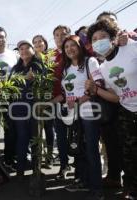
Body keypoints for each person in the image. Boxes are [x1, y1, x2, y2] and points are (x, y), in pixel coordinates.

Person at [86, 19, 137, 200]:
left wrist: (132, 35)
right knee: (129, 154)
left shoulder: (131, 47)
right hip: (126, 112)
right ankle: (132, 189)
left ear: (113, 38)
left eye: (103, 36)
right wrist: (96, 89)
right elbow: (115, 97)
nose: (99, 41)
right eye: (95, 39)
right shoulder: (103, 68)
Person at [59, 35, 104, 200]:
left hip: (89, 113)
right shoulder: (65, 69)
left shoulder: (90, 62)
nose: (69, 49)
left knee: (92, 151)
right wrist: (69, 103)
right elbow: (67, 92)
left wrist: (80, 100)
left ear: (79, 47)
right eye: (66, 47)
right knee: (79, 150)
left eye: (73, 45)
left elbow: (97, 83)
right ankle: (84, 182)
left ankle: (97, 190)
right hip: (74, 116)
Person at [9, 40, 44, 178]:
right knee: (22, 137)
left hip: (34, 107)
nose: (23, 51)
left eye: (26, 48)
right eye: (20, 49)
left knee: (35, 138)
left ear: (32, 50)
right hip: (19, 107)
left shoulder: (38, 65)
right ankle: (20, 169)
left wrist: (22, 80)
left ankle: (36, 169)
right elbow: (10, 84)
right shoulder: (15, 67)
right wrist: (24, 78)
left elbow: (42, 83)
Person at [0, 27, 18, 172]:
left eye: (2, 37)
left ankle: (9, 160)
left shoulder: (13, 55)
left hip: (11, 98)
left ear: (6, 38)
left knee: (10, 130)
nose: (0, 40)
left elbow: (18, 75)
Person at [51, 25, 72, 179]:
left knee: (76, 137)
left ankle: (80, 169)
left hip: (74, 101)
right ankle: (64, 165)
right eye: (57, 35)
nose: (60, 37)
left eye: (63, 34)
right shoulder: (51, 55)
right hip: (57, 102)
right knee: (61, 136)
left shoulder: (74, 52)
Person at [32, 34, 55, 168]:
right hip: (35, 98)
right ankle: (37, 157)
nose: (38, 44)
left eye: (40, 41)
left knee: (48, 127)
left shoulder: (51, 56)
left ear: (45, 43)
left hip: (49, 98)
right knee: (36, 130)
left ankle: (50, 156)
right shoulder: (32, 59)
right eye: (35, 42)